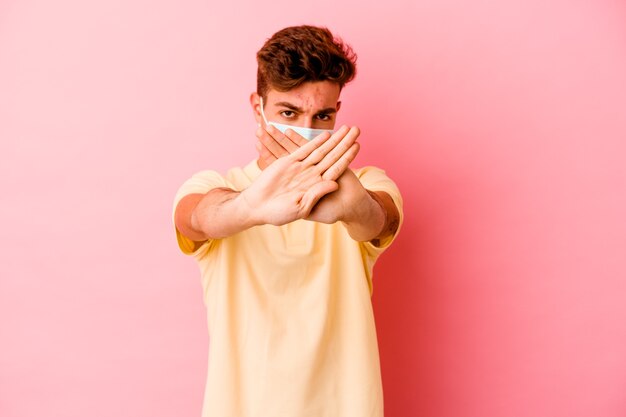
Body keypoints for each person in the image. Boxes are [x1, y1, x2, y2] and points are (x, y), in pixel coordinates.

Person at [172, 25, 403, 417]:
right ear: (257, 107)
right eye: (289, 113)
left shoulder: (365, 184)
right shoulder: (217, 186)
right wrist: (249, 208)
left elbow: (381, 221)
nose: (306, 132)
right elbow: (195, 218)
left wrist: (351, 206)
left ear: (336, 114)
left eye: (322, 115)